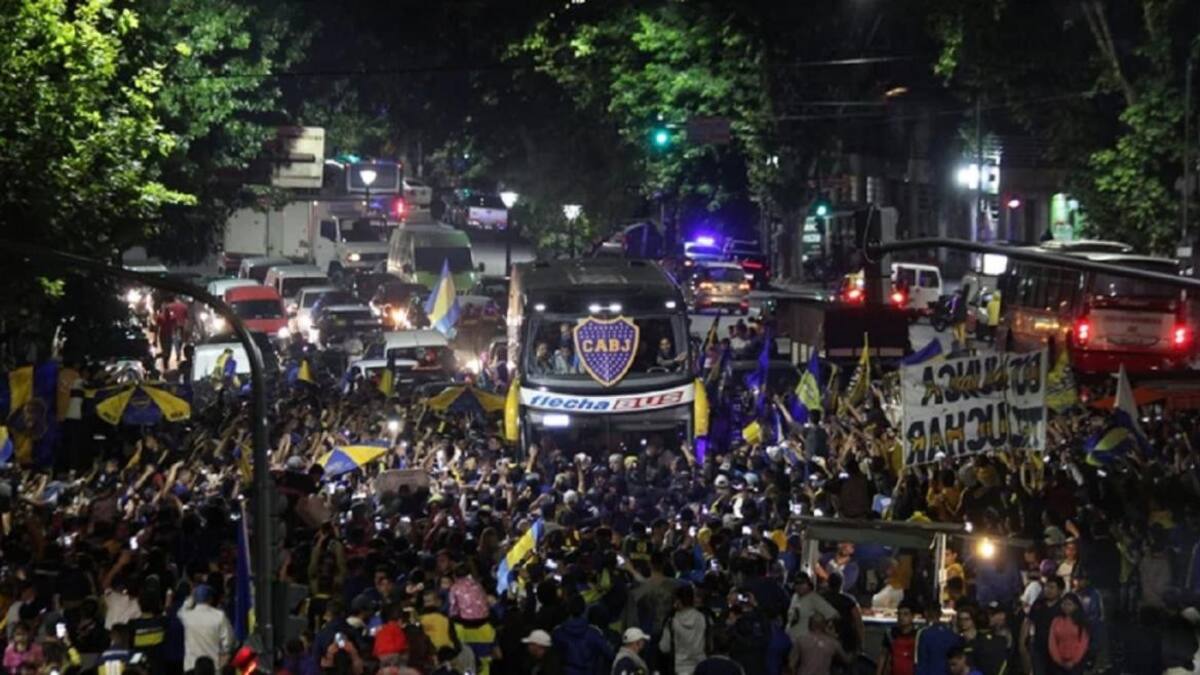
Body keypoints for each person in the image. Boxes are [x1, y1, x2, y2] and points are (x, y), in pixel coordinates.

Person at [177, 584, 233, 671]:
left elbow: (181, 611)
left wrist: (190, 598)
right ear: (210, 599)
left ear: (195, 599)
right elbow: (228, 642)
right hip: (213, 666)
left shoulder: (187, 616)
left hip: (192, 667)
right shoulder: (219, 616)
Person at [552, 594, 613, 675]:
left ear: (568, 609)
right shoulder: (594, 633)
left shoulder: (558, 632)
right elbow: (609, 654)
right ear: (584, 609)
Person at [658, 584, 709, 675]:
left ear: (678, 601)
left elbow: (664, 647)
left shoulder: (672, 622)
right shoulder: (702, 618)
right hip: (701, 666)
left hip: (680, 668)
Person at [1021, 575, 1064, 675]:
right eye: (1046, 586)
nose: (1048, 590)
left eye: (1052, 587)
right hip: (1039, 648)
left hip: (1057, 650)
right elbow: (1028, 621)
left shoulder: (1064, 607)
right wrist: (1022, 642)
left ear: (1060, 590)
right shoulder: (1038, 604)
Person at [956, 607, 1007, 675]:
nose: (963, 622)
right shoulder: (959, 640)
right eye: (960, 619)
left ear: (973, 620)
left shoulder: (983, 640)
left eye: (966, 619)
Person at [1046, 593, 1089, 675]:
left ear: (1076, 606)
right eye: (1064, 604)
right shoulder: (1056, 621)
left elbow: (1083, 644)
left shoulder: (1081, 622)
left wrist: (1074, 661)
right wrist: (1058, 660)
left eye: (1069, 604)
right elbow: (1052, 642)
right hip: (1058, 662)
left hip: (1076, 663)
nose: (1066, 606)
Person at [914, 602, 960, 675]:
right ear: (940, 613)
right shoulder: (952, 634)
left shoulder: (924, 633)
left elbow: (920, 661)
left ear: (926, 613)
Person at [877, 600, 917, 675]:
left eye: (905, 614)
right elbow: (883, 656)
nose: (901, 617)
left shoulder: (918, 635)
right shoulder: (891, 634)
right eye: (899, 614)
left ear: (912, 616)